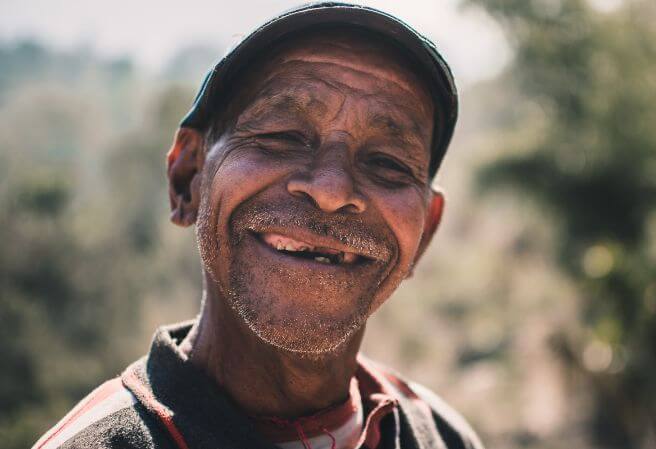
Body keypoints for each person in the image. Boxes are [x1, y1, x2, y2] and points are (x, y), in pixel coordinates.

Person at [33, 3, 482, 449]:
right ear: (188, 179)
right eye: (281, 137)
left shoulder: (441, 436)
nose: (330, 190)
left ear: (424, 233)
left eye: (386, 162)